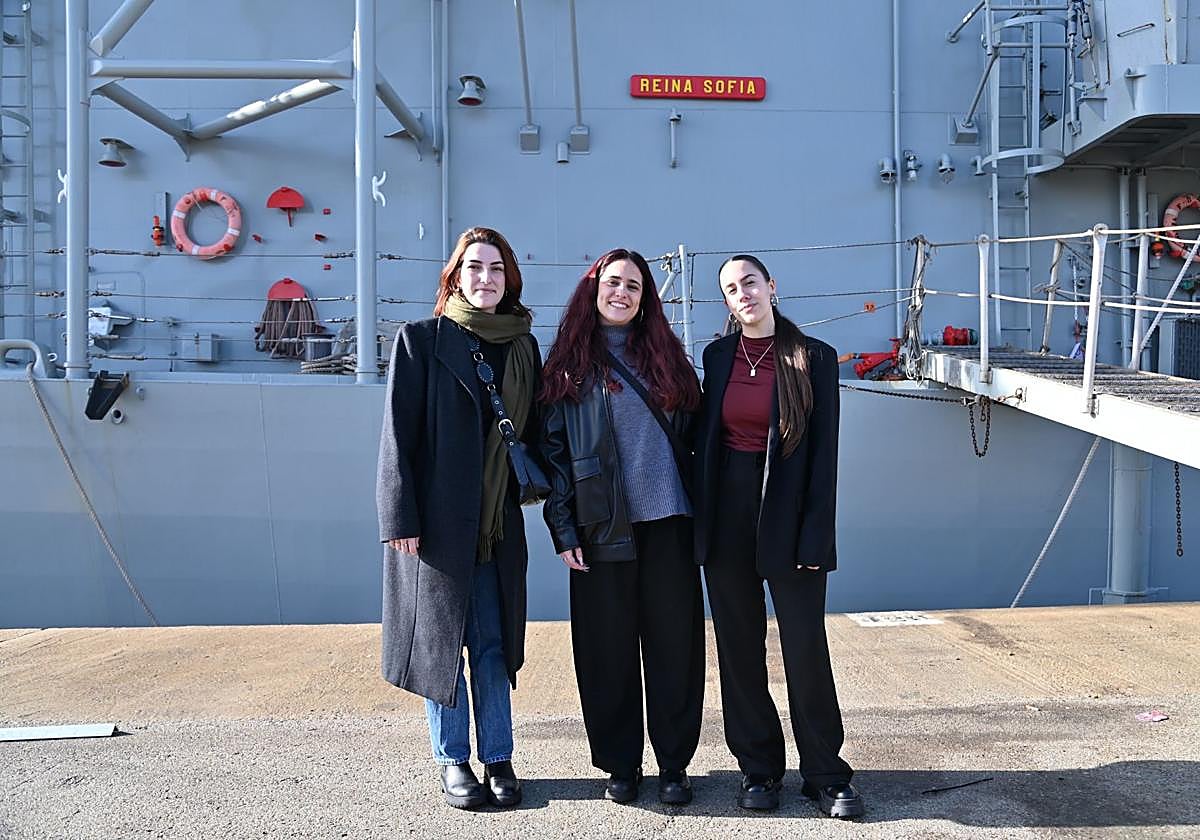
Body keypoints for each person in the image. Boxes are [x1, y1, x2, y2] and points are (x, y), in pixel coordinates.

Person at [693, 254, 864, 818]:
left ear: (771, 286)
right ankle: (759, 770)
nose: (742, 294)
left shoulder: (813, 357)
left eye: (749, 282)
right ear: (726, 302)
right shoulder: (716, 356)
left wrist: (817, 541)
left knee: (804, 649)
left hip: (790, 520)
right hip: (727, 519)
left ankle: (825, 773)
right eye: (730, 289)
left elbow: (825, 457)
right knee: (739, 651)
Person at [376, 227, 540, 810]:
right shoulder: (421, 340)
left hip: (496, 525)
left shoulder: (522, 345)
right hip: (439, 527)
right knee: (442, 648)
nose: (486, 278)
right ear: (455, 276)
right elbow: (399, 437)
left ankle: (499, 755)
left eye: (496, 269)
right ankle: (453, 760)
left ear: (509, 279)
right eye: (475, 268)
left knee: (493, 648)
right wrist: (400, 517)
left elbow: (536, 432)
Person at [539, 248, 705, 805]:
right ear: (594, 290)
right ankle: (621, 765)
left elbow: (694, 435)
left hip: (669, 524)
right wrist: (564, 530)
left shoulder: (667, 358)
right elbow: (554, 457)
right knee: (605, 652)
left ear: (645, 297)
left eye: (634, 285)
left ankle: (674, 765)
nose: (623, 293)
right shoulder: (566, 366)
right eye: (613, 283)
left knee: (674, 649)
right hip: (598, 527)